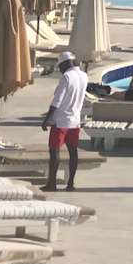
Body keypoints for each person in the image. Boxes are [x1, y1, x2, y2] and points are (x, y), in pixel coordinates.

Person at [40, 52, 88, 191]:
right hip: (75, 121)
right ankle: (70, 184)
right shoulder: (84, 76)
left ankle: (52, 184)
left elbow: (57, 101)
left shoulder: (66, 77)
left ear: (67, 63)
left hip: (60, 122)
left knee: (54, 152)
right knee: (73, 152)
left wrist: (47, 119)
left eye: (60, 66)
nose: (60, 69)